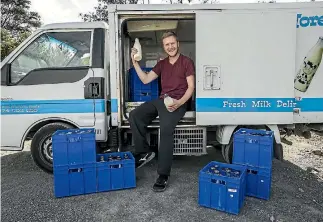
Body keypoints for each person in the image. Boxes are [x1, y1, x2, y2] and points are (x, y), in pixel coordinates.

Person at [129, 31, 195, 192]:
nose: (170, 47)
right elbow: (145, 80)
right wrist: (135, 63)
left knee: (165, 130)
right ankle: (143, 151)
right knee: (134, 115)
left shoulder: (187, 62)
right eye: (167, 44)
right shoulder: (162, 64)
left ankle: (163, 175)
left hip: (177, 102)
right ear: (164, 47)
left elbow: (191, 87)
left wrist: (180, 103)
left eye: (172, 43)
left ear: (178, 44)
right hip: (162, 100)